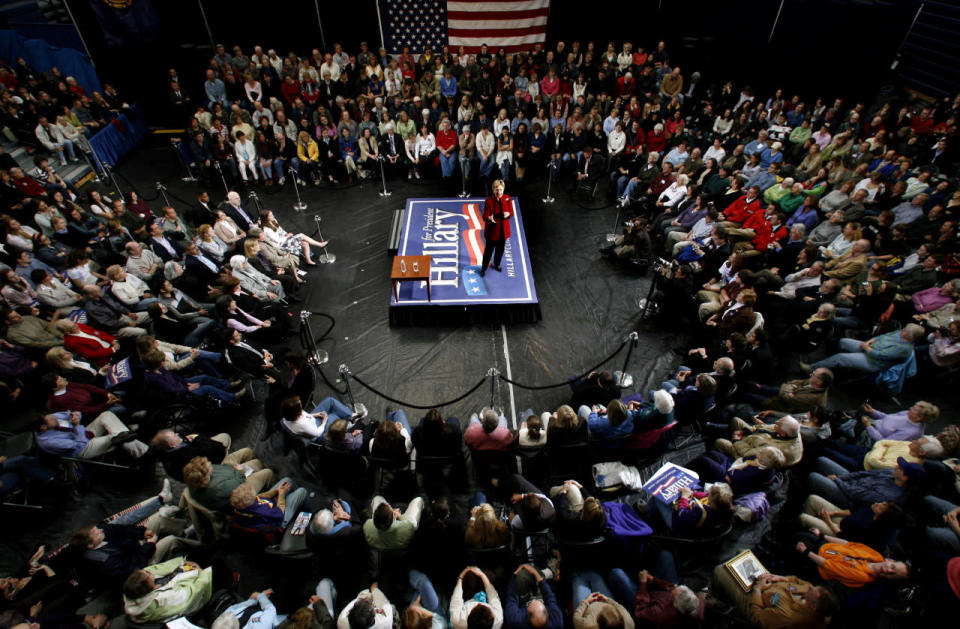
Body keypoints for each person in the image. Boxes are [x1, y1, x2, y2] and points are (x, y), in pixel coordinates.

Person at [122, 557, 212, 624]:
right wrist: (201, 573)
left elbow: (155, 569)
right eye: (148, 575)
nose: (149, 571)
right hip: (192, 602)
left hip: (180, 592)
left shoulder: (132, 590)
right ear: (151, 589)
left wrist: (183, 563)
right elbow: (192, 593)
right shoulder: (161, 600)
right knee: (213, 569)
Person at [478, 179, 512, 277]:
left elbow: (511, 213)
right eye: (497, 190)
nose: (499, 192)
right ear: (493, 190)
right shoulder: (488, 201)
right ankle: (484, 268)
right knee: (488, 252)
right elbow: (485, 216)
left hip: (503, 232)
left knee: (500, 250)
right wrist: (489, 218)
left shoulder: (507, 198)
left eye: (501, 190)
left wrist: (508, 214)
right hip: (492, 232)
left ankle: (497, 264)